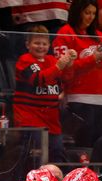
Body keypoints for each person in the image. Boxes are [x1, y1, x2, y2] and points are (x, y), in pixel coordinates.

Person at [14, 25, 76, 166]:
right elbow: (38, 80)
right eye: (36, 43)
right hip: (30, 121)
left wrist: (70, 65)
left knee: (58, 156)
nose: (40, 47)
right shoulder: (25, 60)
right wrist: (60, 66)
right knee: (35, 160)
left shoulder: (51, 61)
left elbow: (66, 80)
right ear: (27, 44)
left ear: (49, 45)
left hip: (52, 122)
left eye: (44, 43)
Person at [53, 0, 102, 147]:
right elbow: (65, 68)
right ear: (77, 12)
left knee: (99, 144)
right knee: (83, 146)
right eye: (87, 13)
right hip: (78, 97)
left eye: (93, 13)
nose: (91, 17)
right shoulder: (65, 33)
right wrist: (93, 59)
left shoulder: (98, 35)